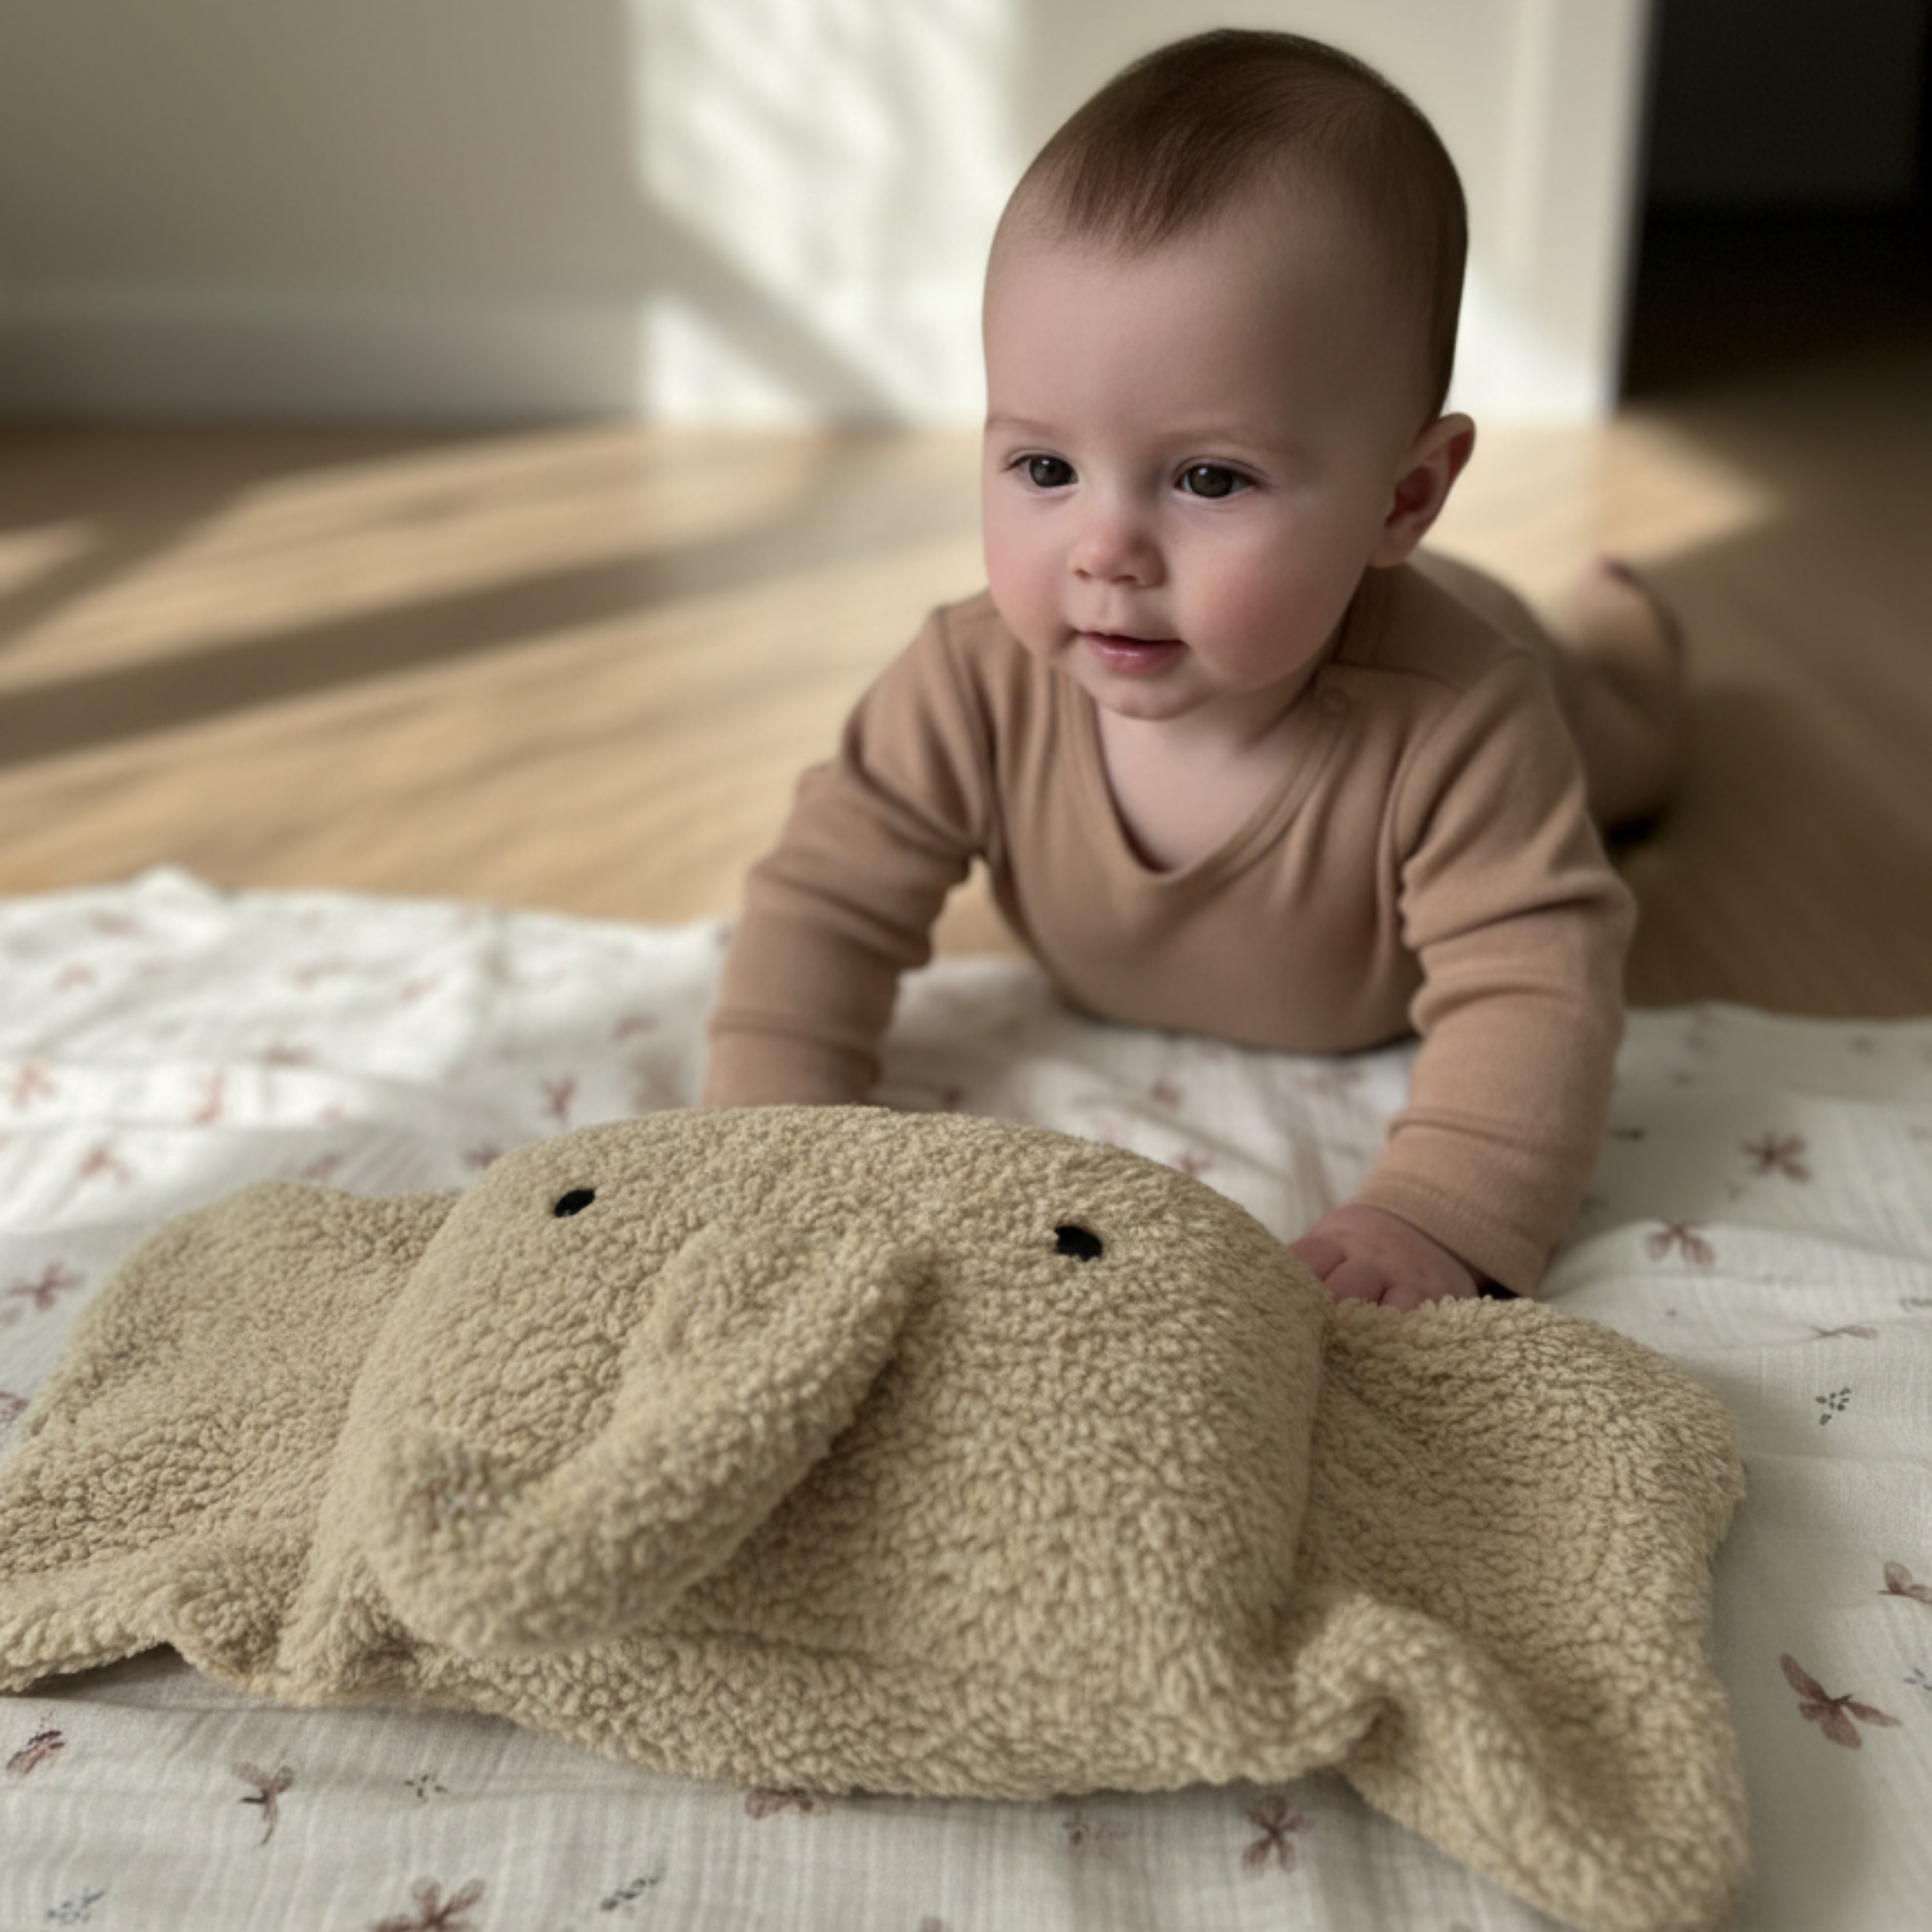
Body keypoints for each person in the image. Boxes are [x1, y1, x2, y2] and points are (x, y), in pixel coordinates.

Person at [700, 29, 1684, 1307]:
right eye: (1043, 468)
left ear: (1403, 495)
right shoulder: (967, 680)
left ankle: (1629, 635)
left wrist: (1437, 1212)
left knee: (1642, 765)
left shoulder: (1463, 720)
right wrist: (768, 1127)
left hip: (1516, 665)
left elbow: (1533, 977)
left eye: (1208, 477)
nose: (1104, 551)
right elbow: (823, 899)